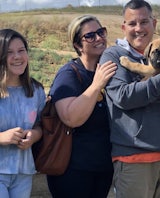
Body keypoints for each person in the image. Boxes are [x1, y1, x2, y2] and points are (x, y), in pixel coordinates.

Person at [99, 1, 160, 198]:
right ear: (123, 27)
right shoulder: (114, 55)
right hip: (134, 158)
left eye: (144, 22)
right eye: (132, 23)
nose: (138, 29)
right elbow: (123, 97)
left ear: (154, 23)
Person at [46, 15, 117, 198]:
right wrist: (96, 85)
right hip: (72, 171)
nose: (99, 38)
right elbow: (71, 118)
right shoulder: (69, 74)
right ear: (78, 45)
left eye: (101, 32)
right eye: (90, 36)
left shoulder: (109, 71)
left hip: (103, 168)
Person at [0, 29, 46, 198]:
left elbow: (41, 126)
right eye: (9, 52)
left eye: (21, 50)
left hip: (24, 172)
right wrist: (1, 138)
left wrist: (34, 135)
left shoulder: (37, 90)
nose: (17, 57)